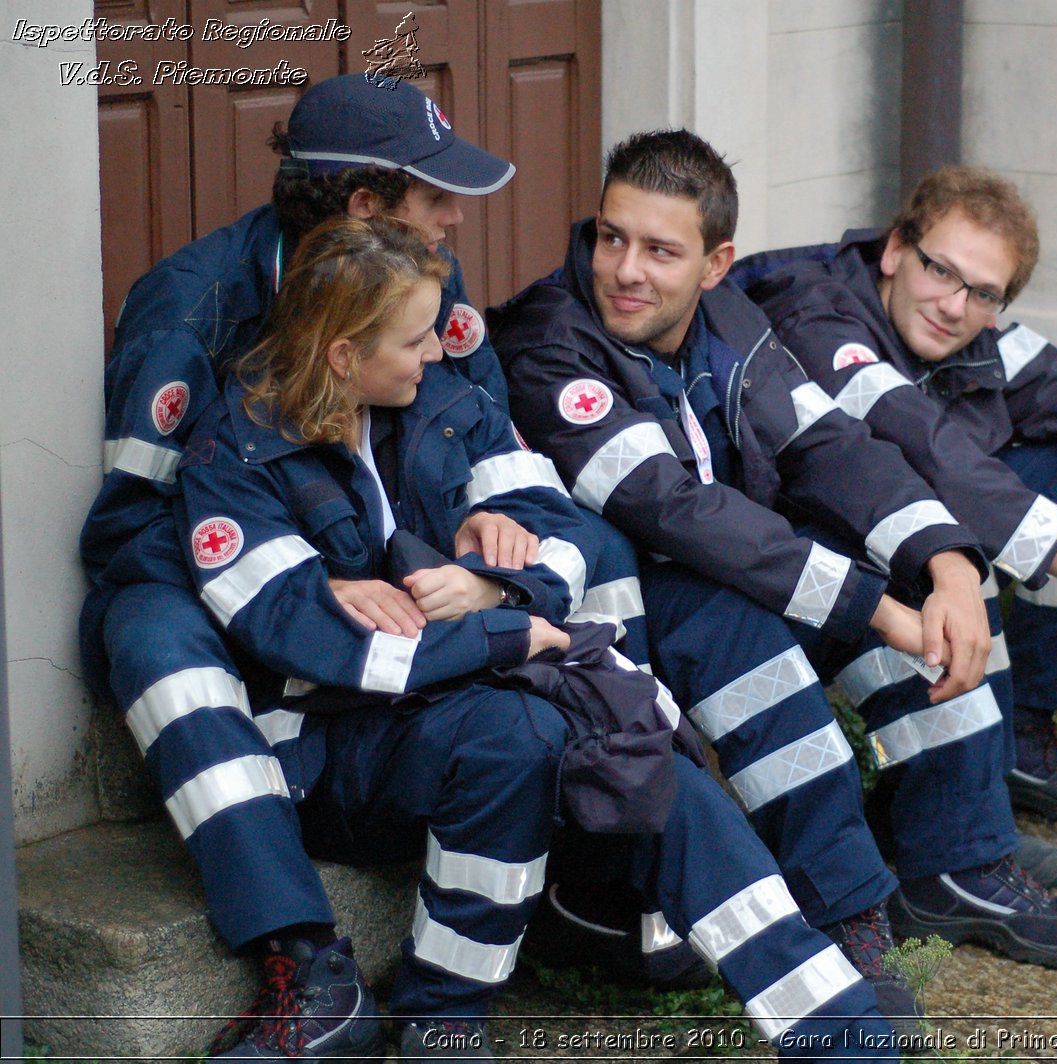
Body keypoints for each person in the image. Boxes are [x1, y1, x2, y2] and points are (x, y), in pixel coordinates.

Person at [178, 215, 900, 1061]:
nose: (435, 353)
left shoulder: (441, 402)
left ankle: (835, 1030)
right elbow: (324, 645)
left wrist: (495, 586)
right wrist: (508, 634)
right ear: (342, 355)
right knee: (518, 737)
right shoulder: (237, 455)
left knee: (640, 755)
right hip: (336, 746)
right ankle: (440, 1011)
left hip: (481, 692)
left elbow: (567, 537)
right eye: (413, 340)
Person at [491, 131, 1057, 1009]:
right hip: (632, 590)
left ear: (715, 263)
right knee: (757, 649)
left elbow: (829, 447)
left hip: (740, 557)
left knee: (917, 590)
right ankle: (845, 917)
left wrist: (947, 561)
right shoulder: (551, 335)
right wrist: (873, 608)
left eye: (660, 250)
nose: (625, 269)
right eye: (611, 237)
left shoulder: (729, 319)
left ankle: (958, 862)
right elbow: (669, 510)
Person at [76, 74, 644, 1056]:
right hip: (245, 583)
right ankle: (306, 958)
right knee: (145, 623)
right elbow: (127, 527)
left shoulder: (421, 273)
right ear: (365, 206)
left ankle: (601, 832)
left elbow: (483, 438)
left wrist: (498, 543)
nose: (456, 219)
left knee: (597, 544)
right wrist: (289, 571)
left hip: (400, 592)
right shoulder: (190, 306)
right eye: (434, 197)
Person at [741, 167, 1057, 832]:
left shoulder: (976, 333)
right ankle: (949, 814)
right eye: (940, 271)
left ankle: (1017, 735)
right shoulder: (813, 307)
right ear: (894, 250)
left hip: (898, 526)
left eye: (981, 293)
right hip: (779, 555)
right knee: (949, 513)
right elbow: (919, 443)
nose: (953, 305)